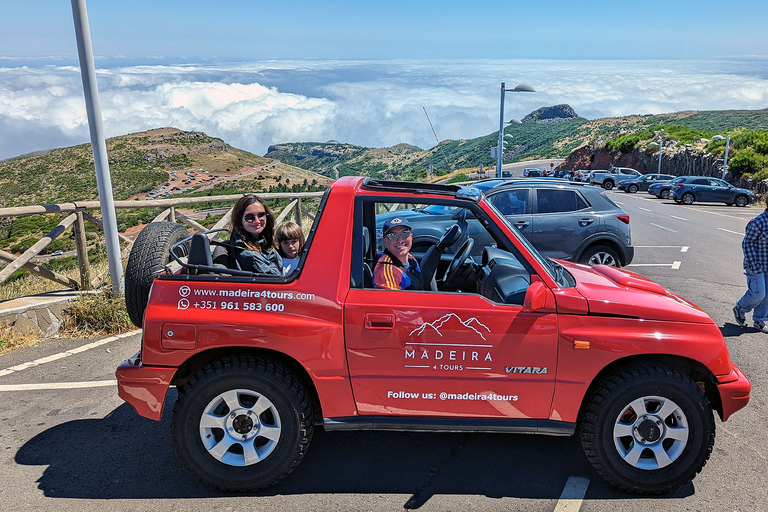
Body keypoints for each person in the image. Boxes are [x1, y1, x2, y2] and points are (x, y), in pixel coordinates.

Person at [213, 194, 282, 276]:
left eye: (261, 215)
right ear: (240, 220)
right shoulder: (226, 249)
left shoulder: (270, 244)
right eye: (249, 217)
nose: (257, 221)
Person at [734, 192, 768, 332]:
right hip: (756, 264)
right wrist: (754, 265)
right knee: (759, 293)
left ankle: (759, 320)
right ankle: (740, 308)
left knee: (767, 294)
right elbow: (747, 243)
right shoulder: (758, 222)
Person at [373, 217, 424, 290]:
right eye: (393, 236)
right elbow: (395, 301)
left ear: (411, 237)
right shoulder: (386, 273)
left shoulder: (410, 258)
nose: (400, 240)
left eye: (405, 234)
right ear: (384, 241)